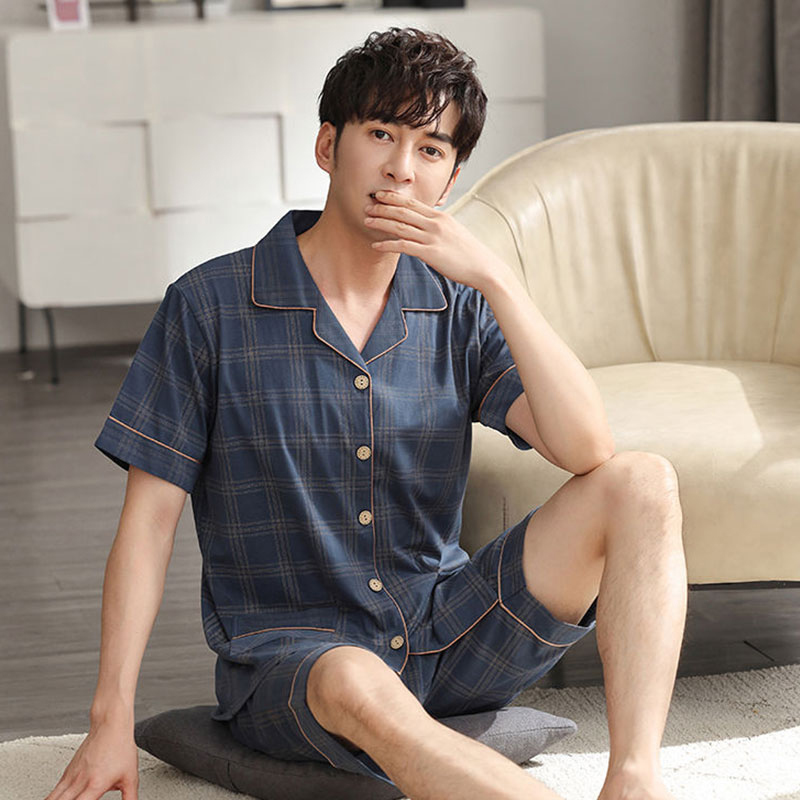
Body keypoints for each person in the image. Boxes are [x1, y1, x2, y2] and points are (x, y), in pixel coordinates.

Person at [44, 27, 687, 800]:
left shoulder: (456, 305)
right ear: (328, 146)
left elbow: (587, 450)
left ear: (450, 179)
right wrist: (109, 718)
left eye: (430, 149)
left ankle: (634, 782)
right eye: (381, 134)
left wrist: (498, 279)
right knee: (354, 680)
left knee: (643, 481)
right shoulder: (208, 308)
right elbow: (148, 526)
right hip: (298, 666)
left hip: (446, 631)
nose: (400, 168)